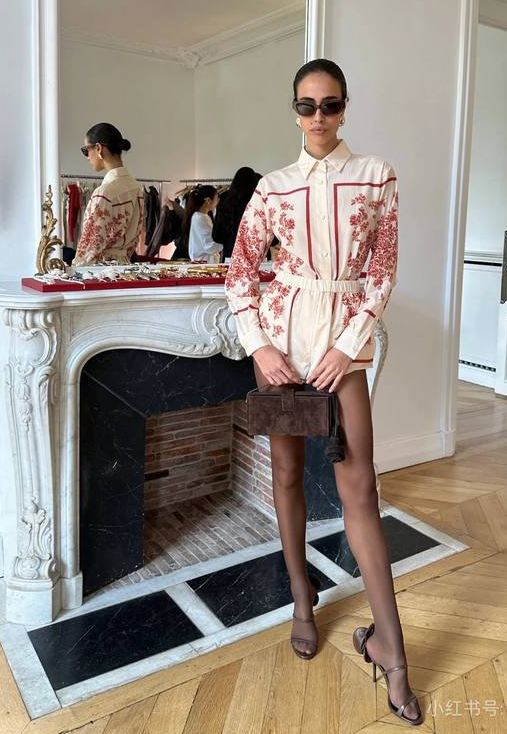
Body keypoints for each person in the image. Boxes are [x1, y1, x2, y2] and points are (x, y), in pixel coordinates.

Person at [225, 59, 421, 726]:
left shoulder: (376, 175)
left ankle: (392, 650)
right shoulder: (273, 187)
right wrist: (261, 346)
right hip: (280, 347)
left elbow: (382, 272)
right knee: (285, 475)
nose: (318, 117)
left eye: (329, 104)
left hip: (343, 350)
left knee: (360, 489)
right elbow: (240, 273)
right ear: (294, 110)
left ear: (345, 107)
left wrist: (348, 345)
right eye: (306, 106)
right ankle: (302, 600)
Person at [73, 123, 143, 266]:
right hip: (124, 267)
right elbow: (134, 239)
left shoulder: (104, 193)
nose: (87, 157)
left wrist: (76, 268)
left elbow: (89, 247)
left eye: (86, 150)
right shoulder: (135, 188)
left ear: (98, 148)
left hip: (99, 270)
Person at [212, 167, 262, 259]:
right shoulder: (259, 203)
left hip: (231, 255)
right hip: (256, 256)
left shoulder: (225, 203)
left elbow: (216, 236)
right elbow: (272, 239)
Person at [172, 184, 223, 262]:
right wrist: (224, 242)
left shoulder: (201, 216)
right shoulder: (200, 218)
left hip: (204, 261)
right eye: (216, 198)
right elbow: (209, 245)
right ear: (208, 200)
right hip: (204, 262)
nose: (218, 201)